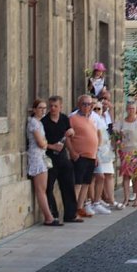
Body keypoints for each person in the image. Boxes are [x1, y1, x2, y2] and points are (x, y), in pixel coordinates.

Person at [41, 95, 81, 223]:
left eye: (55, 106)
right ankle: (54, 215)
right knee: (48, 187)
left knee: (68, 185)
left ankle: (70, 214)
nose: (53, 109)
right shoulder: (44, 122)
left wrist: (71, 133)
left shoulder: (64, 118)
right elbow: (41, 142)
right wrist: (52, 146)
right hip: (50, 157)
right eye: (51, 106)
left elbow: (69, 134)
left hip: (63, 157)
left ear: (60, 107)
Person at [27, 99, 60, 226]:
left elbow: (43, 142)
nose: (43, 110)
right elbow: (41, 143)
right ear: (34, 109)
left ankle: (49, 215)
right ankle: (48, 217)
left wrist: (45, 143)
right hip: (36, 156)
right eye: (40, 108)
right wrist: (46, 144)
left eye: (44, 108)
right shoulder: (34, 123)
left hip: (41, 156)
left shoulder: (39, 123)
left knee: (44, 188)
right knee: (41, 189)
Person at [69, 94, 101, 218]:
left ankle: (80, 207)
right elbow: (67, 137)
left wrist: (96, 155)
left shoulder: (92, 118)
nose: (87, 106)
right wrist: (72, 152)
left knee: (86, 183)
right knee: (77, 183)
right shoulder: (73, 118)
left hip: (91, 156)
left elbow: (95, 137)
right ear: (79, 105)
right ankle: (72, 210)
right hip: (79, 155)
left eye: (89, 104)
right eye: (85, 104)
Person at [114, 101, 137, 207]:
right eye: (129, 108)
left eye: (133, 108)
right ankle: (126, 198)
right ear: (126, 109)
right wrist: (118, 143)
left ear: (136, 109)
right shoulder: (121, 122)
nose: (131, 110)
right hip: (125, 151)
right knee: (126, 176)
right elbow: (116, 136)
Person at [90, 101, 121, 212]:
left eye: (99, 108)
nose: (97, 111)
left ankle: (110, 199)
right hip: (97, 150)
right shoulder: (91, 119)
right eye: (95, 109)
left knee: (109, 175)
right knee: (96, 177)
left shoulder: (103, 119)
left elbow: (110, 129)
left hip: (106, 150)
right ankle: (94, 201)